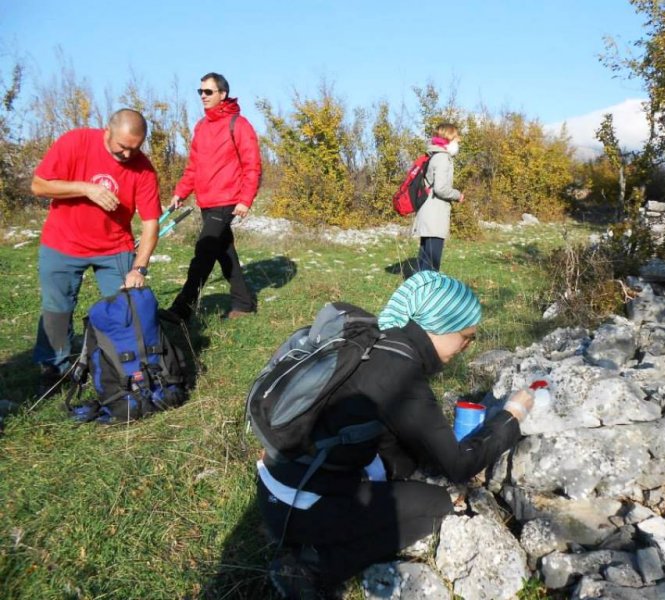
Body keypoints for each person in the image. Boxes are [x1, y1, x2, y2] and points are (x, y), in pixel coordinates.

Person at [258, 271, 534, 598]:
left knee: (395, 478)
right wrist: (510, 417)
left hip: (276, 487)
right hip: (301, 505)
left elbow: (389, 439)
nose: (467, 346)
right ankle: (314, 566)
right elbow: (459, 466)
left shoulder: (375, 339)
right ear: (440, 325)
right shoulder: (399, 372)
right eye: (467, 336)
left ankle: (302, 531)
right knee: (433, 504)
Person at [31, 109, 161, 392]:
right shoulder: (75, 142)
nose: (128, 154)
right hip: (62, 243)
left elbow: (151, 223)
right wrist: (85, 188)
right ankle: (55, 369)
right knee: (58, 308)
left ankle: (121, 365)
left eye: (135, 148)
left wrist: (139, 268)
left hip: (114, 246)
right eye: (122, 147)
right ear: (107, 132)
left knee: (125, 308)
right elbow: (39, 186)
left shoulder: (143, 169)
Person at [160, 72, 261, 323]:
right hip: (206, 200)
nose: (203, 96)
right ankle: (244, 303)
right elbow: (193, 165)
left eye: (208, 92)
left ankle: (182, 309)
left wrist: (245, 200)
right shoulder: (201, 126)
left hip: (227, 200)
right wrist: (181, 192)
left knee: (203, 252)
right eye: (200, 92)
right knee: (224, 252)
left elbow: (252, 165)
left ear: (222, 94)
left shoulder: (239, 124)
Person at [411, 123, 464, 272]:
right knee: (432, 263)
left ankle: (421, 291)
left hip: (428, 213)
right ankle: (430, 292)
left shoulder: (433, 155)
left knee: (424, 258)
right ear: (448, 138)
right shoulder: (442, 158)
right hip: (435, 216)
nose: (458, 141)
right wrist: (457, 195)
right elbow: (440, 188)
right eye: (456, 138)